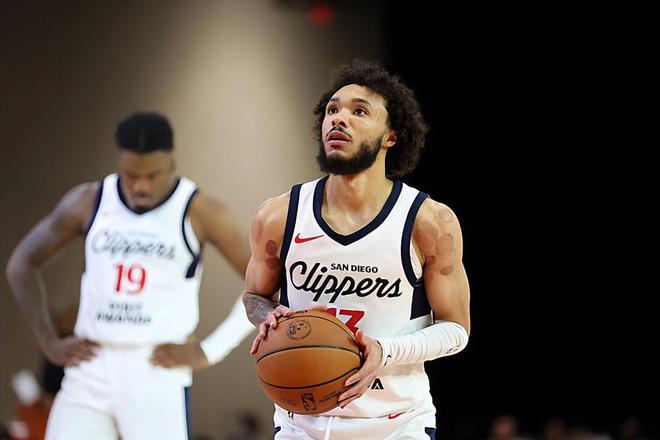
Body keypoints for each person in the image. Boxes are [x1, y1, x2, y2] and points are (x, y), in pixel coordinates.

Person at [243, 60, 471, 439]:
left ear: (391, 136)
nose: (338, 119)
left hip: (396, 423)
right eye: (332, 110)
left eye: (359, 111)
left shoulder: (428, 221)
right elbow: (254, 296)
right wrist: (270, 316)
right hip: (302, 422)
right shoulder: (279, 215)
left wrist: (385, 351)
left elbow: (456, 330)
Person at [6, 112, 255, 440]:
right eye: (131, 175)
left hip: (156, 367)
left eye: (152, 175)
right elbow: (21, 265)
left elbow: (266, 285)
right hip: (90, 366)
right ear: (118, 162)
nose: (140, 186)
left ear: (171, 161)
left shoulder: (201, 211)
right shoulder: (89, 201)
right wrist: (48, 342)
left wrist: (211, 350)